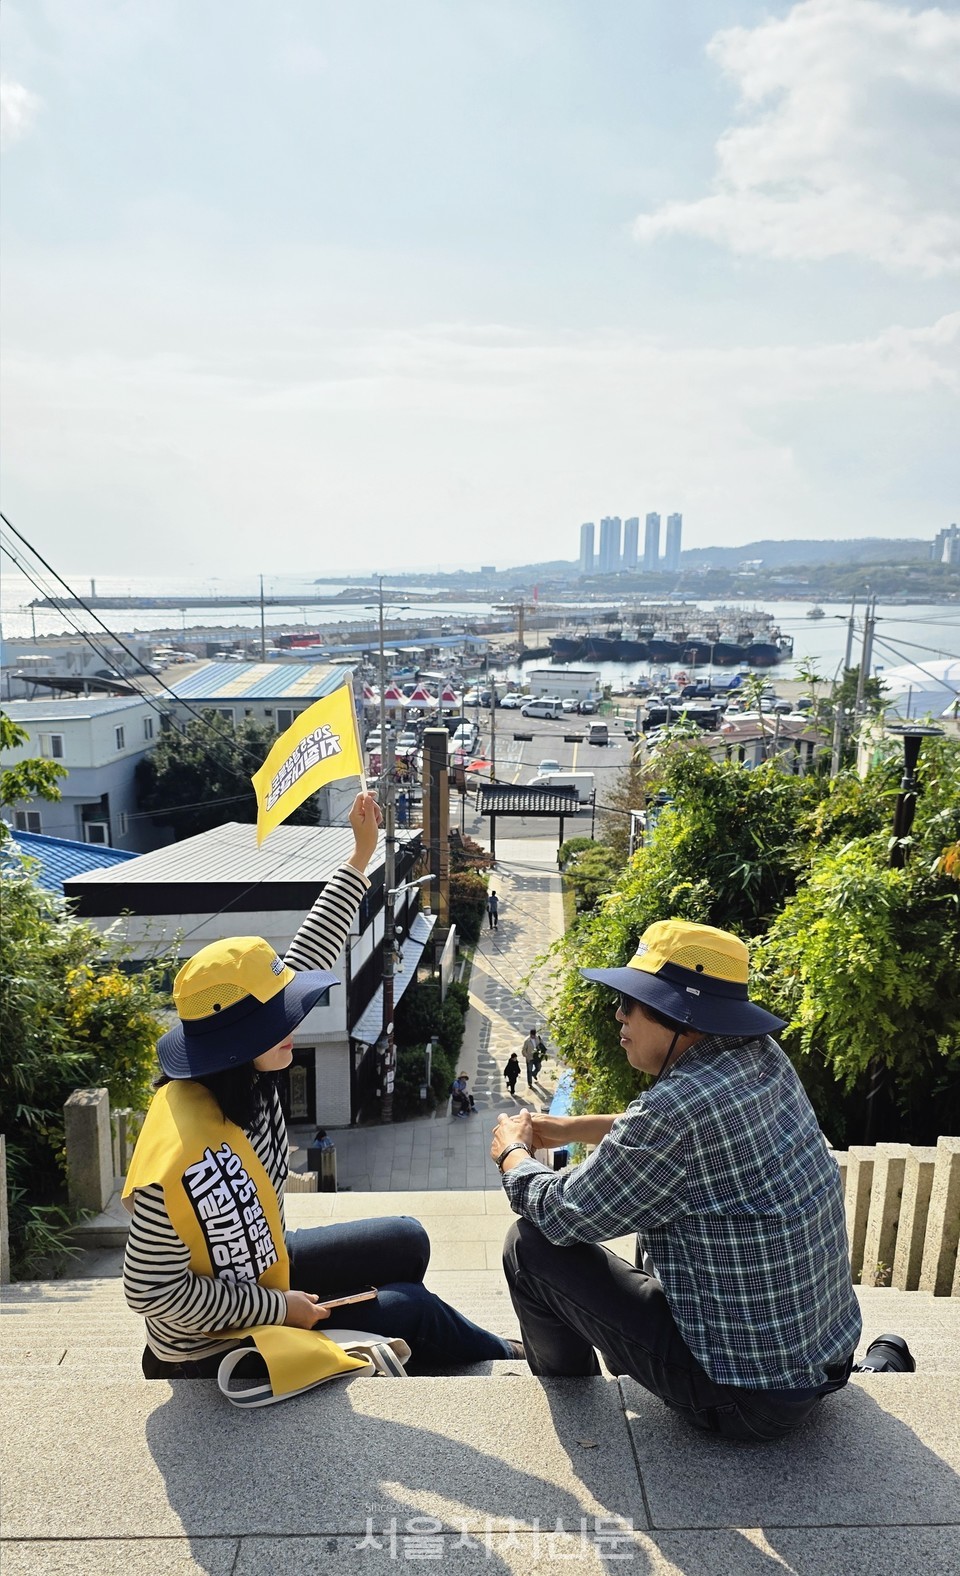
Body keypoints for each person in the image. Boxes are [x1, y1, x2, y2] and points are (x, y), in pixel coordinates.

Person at [123, 790, 522, 1379]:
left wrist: (359, 858)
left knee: (405, 1241)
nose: (294, 1026)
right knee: (410, 1307)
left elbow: (311, 951)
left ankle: (440, 1347)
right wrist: (279, 1307)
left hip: (261, 1268)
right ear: (234, 1042)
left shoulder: (240, 1077)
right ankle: (507, 1357)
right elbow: (151, 1294)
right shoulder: (178, 1156)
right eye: (276, 1020)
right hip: (213, 1339)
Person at [490, 919, 884, 1442]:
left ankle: (571, 1392)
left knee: (531, 1245)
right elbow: (681, 1135)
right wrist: (570, 1128)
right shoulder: (760, 1057)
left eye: (631, 1002)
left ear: (679, 1014)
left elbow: (564, 1215)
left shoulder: (676, 1111)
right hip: (819, 1357)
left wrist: (513, 1154)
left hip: (745, 1399)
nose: (619, 1014)